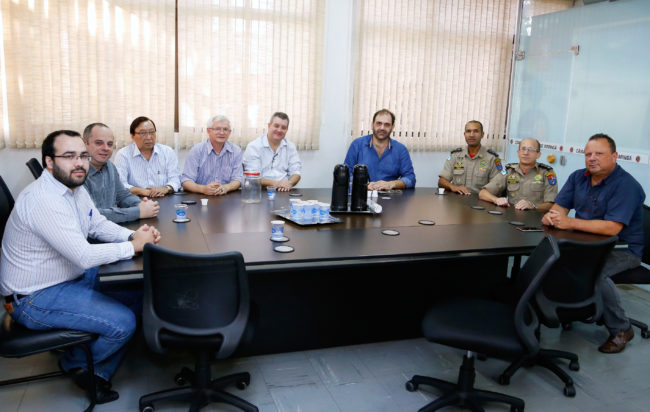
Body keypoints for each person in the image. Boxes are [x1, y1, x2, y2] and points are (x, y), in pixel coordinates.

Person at [0, 130, 161, 402]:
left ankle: (95, 363)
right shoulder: (44, 200)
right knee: (123, 321)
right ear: (49, 162)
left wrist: (132, 235)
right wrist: (134, 246)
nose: (79, 163)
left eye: (82, 156)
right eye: (69, 156)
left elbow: (96, 223)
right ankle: (77, 364)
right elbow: (83, 256)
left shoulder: (73, 188)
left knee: (142, 294)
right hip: (33, 297)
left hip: (65, 278)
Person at [542, 133, 646, 353]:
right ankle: (571, 310)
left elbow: (612, 228)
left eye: (599, 153)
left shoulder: (627, 185)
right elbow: (560, 207)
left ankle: (621, 328)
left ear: (614, 156)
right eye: (588, 154)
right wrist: (551, 216)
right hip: (585, 243)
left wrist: (568, 221)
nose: (592, 158)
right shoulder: (578, 177)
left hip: (623, 249)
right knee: (549, 260)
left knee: (592, 272)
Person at [82, 122, 160, 223]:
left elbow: (122, 196)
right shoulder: (77, 173)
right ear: (84, 143)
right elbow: (92, 215)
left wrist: (142, 204)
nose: (105, 148)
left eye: (110, 144)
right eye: (99, 143)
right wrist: (138, 211)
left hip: (108, 229)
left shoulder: (109, 166)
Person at [344, 109, 416, 190]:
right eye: (379, 123)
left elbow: (411, 179)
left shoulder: (401, 150)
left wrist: (391, 184)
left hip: (391, 199)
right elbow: (346, 175)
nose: (382, 128)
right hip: (361, 196)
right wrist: (363, 186)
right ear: (372, 125)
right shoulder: (357, 145)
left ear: (392, 127)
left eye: (387, 125)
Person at [479, 138, 557, 211]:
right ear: (518, 152)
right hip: (512, 218)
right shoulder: (509, 171)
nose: (526, 153)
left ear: (538, 155)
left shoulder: (547, 173)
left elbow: (551, 205)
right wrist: (496, 200)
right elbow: (483, 193)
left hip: (535, 219)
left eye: (531, 150)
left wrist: (533, 206)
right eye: (523, 149)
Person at [114, 116, 181, 197]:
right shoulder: (123, 155)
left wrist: (166, 188)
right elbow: (120, 184)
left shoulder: (167, 152)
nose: (149, 137)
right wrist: (141, 191)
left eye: (152, 132)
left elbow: (176, 179)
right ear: (132, 136)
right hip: (135, 200)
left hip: (164, 198)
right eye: (143, 133)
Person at [181, 115, 243, 195]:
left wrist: (226, 187)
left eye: (225, 129)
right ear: (208, 131)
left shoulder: (236, 151)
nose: (222, 132)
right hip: (200, 197)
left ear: (230, 132)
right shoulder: (197, 150)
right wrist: (203, 189)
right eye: (217, 129)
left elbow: (238, 179)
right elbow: (186, 181)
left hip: (226, 197)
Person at [438, 120, 505, 195]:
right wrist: (453, 187)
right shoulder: (455, 155)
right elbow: (442, 181)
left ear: (482, 134)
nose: (471, 135)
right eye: (468, 131)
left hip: (481, 202)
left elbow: (498, 184)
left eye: (476, 131)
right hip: (456, 201)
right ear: (464, 134)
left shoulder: (493, 158)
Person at [242, 112, 301, 191]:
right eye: (276, 126)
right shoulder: (254, 147)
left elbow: (296, 172)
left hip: (284, 190)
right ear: (269, 126)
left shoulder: (291, 147)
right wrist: (276, 183)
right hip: (260, 192)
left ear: (287, 130)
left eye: (283, 127)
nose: (279, 130)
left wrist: (289, 183)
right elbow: (253, 177)